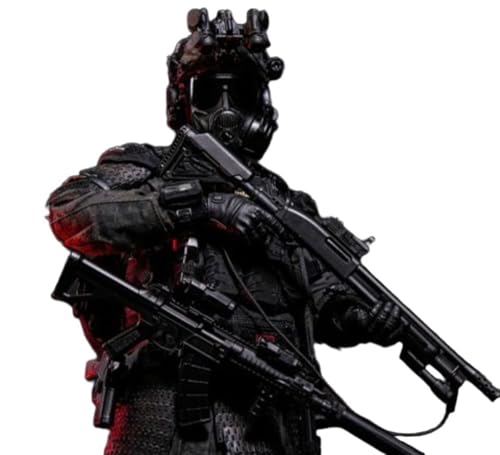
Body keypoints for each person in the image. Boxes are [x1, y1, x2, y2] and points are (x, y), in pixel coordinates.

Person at [47, 9, 402, 455]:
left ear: (263, 104)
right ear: (181, 100)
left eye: (242, 93)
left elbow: (323, 299)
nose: (227, 111)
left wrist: (359, 320)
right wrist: (199, 206)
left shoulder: (289, 207)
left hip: (270, 423)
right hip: (164, 414)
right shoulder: (148, 170)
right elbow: (70, 212)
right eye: (210, 92)